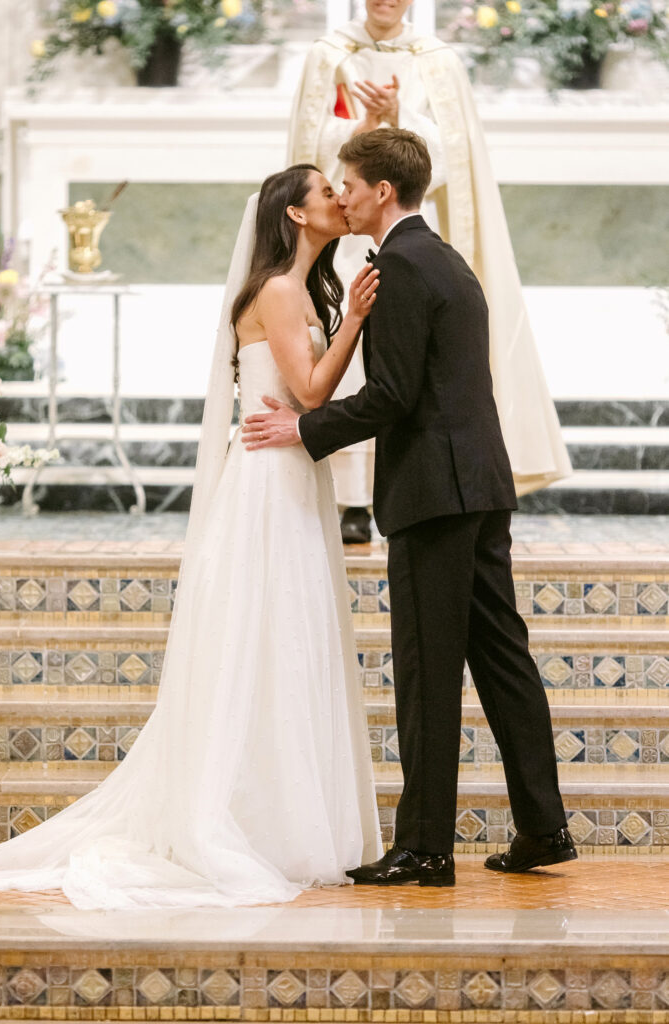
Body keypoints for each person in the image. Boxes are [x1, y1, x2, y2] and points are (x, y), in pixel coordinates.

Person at [0, 166, 382, 908]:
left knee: (283, 637)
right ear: (295, 213)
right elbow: (309, 393)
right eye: (325, 190)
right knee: (271, 635)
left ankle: (283, 812)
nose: (338, 197)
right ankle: (268, 822)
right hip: (271, 482)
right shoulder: (279, 290)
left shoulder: (297, 287)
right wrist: (356, 321)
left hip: (287, 472)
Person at [243, 129, 577, 885]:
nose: (343, 197)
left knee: (427, 669)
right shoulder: (444, 257)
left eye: (349, 186)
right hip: (478, 486)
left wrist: (302, 429)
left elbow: (391, 397)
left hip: (432, 494)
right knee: (501, 657)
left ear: (381, 192)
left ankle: (425, 846)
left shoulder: (397, 265)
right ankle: (543, 826)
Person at [288, 0, 571, 543]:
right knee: (349, 353)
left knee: (403, 360)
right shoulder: (327, 56)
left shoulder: (436, 60)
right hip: (352, 226)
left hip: (404, 228)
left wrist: (399, 120)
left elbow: (450, 158)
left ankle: (388, 485)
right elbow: (309, 165)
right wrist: (362, 128)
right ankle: (349, 496)